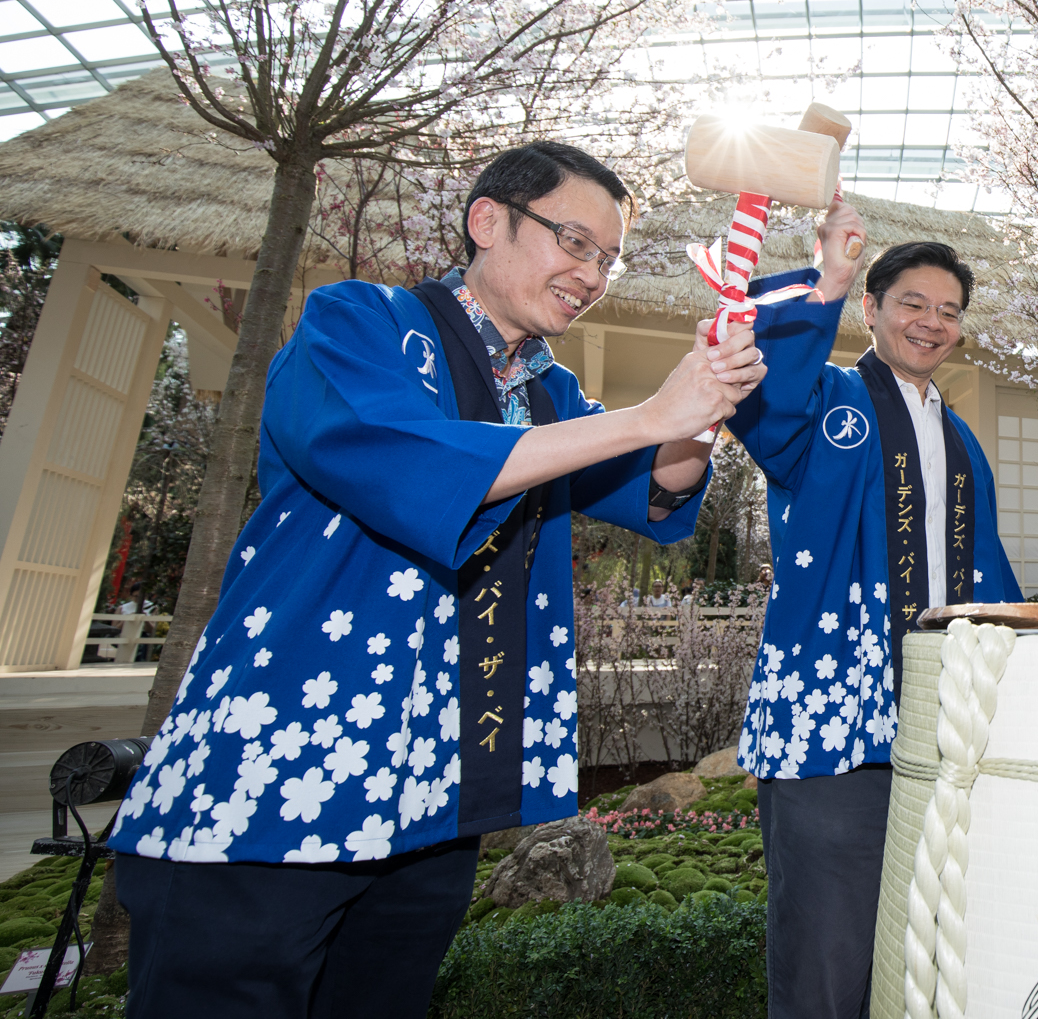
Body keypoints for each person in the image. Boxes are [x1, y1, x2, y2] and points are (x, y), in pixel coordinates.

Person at [105, 142, 766, 1018]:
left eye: (607, 258)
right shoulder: (357, 322)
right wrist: (651, 414)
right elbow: (404, 459)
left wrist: (702, 408)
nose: (592, 273)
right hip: (281, 765)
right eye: (574, 241)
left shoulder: (549, 392)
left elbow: (653, 487)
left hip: (434, 786)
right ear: (486, 220)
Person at [727, 201, 1022, 1019]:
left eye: (949, 311)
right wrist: (823, 280)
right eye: (913, 304)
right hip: (831, 717)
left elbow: (988, 576)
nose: (931, 323)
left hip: (933, 719)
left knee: (921, 942)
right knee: (827, 949)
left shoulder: (960, 440)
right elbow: (768, 400)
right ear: (873, 308)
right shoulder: (828, 400)